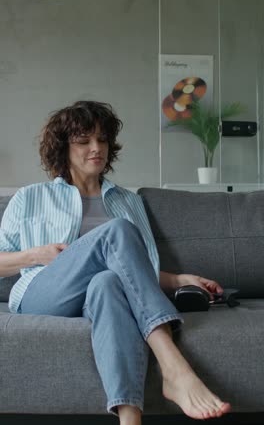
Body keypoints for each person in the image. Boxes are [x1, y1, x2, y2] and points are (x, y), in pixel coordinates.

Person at [0, 100, 231, 425]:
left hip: (101, 293)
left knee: (107, 282)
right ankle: (173, 366)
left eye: (102, 139)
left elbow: (136, 271)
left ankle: (129, 418)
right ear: (63, 148)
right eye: (83, 141)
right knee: (117, 231)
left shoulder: (128, 201)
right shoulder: (30, 197)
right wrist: (37, 255)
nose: (96, 148)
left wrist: (178, 280)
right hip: (46, 290)